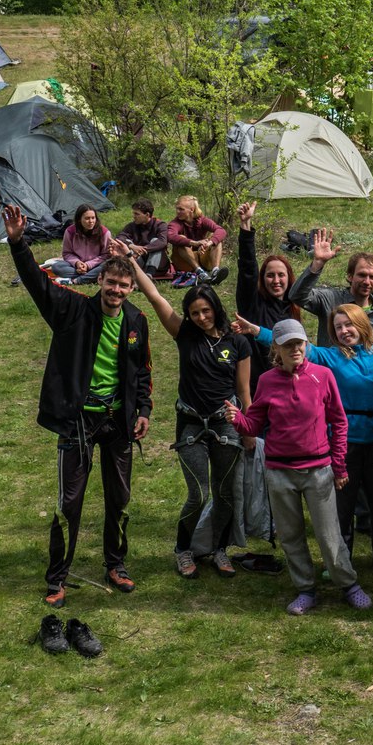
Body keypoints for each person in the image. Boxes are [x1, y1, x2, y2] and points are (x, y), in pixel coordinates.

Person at [4, 205, 152, 609]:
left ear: (132, 289)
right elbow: (37, 283)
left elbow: (142, 371)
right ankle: (57, 578)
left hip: (118, 421)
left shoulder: (137, 321)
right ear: (99, 279)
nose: (116, 291)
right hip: (78, 421)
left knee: (119, 498)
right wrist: (18, 243)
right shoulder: (72, 310)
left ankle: (116, 565)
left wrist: (143, 411)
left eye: (124, 285)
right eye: (111, 283)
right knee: (70, 502)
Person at [223, 319, 373, 615]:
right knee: (291, 535)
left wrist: (339, 465)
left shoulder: (323, 375)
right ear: (276, 347)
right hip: (279, 472)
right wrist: (238, 420)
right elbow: (256, 422)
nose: (295, 349)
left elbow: (339, 422)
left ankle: (349, 584)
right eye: (288, 344)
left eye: (299, 343)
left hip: (318, 470)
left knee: (329, 535)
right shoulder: (266, 380)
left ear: (306, 344)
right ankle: (306, 588)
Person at [121, 246, 251, 579]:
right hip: (191, 425)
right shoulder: (184, 335)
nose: (201, 317)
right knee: (198, 493)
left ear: (215, 308)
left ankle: (219, 549)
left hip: (226, 425)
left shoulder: (237, 343)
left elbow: (244, 391)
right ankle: (183, 549)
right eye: (195, 313)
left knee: (225, 494)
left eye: (205, 311)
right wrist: (132, 261)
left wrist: (249, 429)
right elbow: (154, 297)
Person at [234, 201, 300, 387]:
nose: (276, 280)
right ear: (262, 279)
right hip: (257, 385)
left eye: (281, 275)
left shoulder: (292, 307)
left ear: (289, 278)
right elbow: (248, 270)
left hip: (287, 384)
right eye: (270, 275)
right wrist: (245, 227)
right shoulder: (252, 304)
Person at [290, 229, 373, 345]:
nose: (367, 281)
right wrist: (317, 264)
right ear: (350, 276)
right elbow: (297, 296)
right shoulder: (330, 300)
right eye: (362, 275)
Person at [167, 196, 228, 287]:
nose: (178, 212)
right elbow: (170, 236)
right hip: (185, 263)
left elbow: (221, 231)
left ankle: (215, 272)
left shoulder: (202, 220)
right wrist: (193, 243)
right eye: (177, 209)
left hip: (201, 259)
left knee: (215, 239)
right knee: (181, 238)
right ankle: (200, 273)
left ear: (192, 209)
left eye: (181, 209)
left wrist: (209, 243)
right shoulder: (176, 223)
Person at [49, 205, 112, 284]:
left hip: (96, 265)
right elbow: (67, 253)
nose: (91, 221)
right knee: (56, 267)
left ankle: (76, 280)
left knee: (108, 266)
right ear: (79, 219)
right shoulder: (70, 231)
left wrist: (88, 265)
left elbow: (106, 255)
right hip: (76, 267)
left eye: (93, 218)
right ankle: (91, 277)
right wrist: (77, 263)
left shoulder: (104, 233)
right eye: (87, 218)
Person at [116, 199, 171, 278]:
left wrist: (143, 249)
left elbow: (162, 241)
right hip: (140, 263)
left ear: (147, 215)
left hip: (159, 265)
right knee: (127, 242)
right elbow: (119, 238)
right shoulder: (132, 226)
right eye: (134, 213)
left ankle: (149, 273)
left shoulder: (160, 225)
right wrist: (132, 246)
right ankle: (138, 272)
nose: (134, 216)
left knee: (155, 241)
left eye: (137, 214)